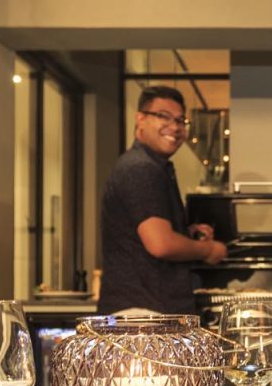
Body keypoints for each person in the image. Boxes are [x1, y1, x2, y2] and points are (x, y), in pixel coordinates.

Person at [97, 86, 227, 315]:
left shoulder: (151, 166)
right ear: (140, 119)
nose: (175, 127)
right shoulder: (141, 168)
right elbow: (161, 244)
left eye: (180, 120)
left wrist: (185, 232)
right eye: (163, 116)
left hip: (144, 312)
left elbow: (148, 234)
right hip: (142, 315)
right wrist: (208, 250)